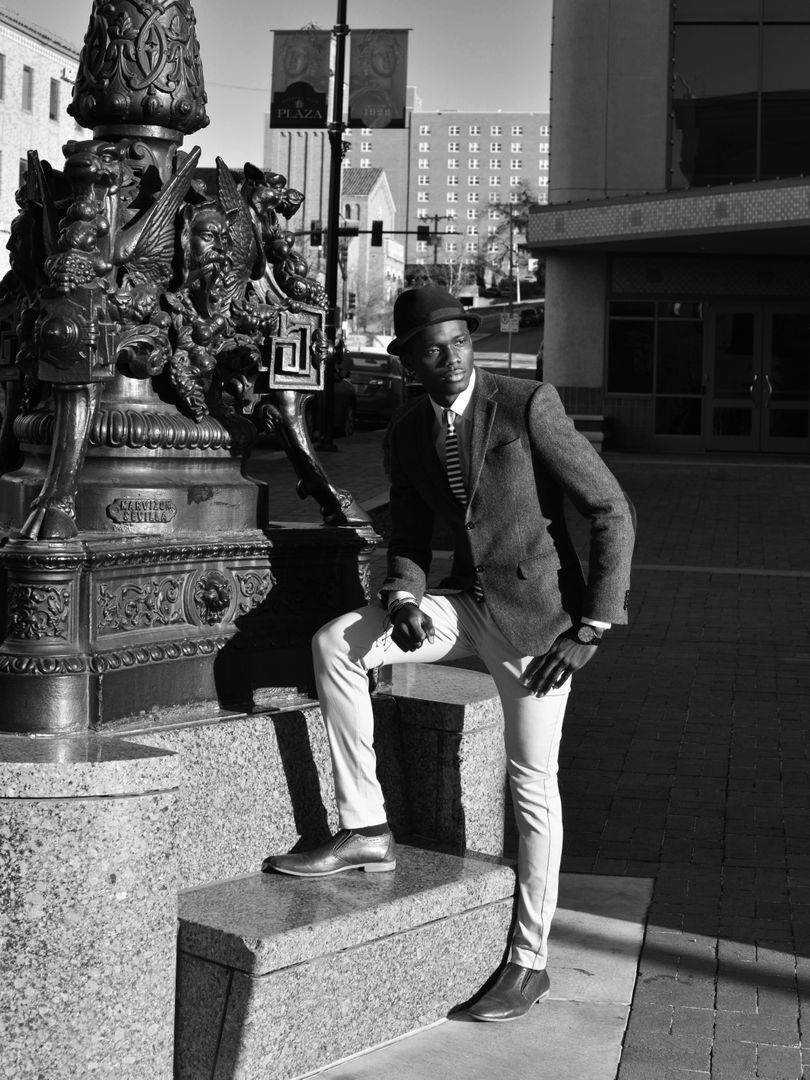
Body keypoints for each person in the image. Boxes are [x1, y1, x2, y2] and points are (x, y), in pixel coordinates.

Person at [263, 286, 635, 1023]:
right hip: (464, 605)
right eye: (434, 346)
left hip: (539, 627)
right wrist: (402, 597)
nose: (452, 354)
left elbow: (610, 509)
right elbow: (407, 536)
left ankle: (528, 962)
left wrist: (592, 626)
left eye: (460, 339)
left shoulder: (528, 405)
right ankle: (367, 826)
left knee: (532, 785)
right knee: (338, 643)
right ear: (409, 361)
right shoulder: (406, 430)